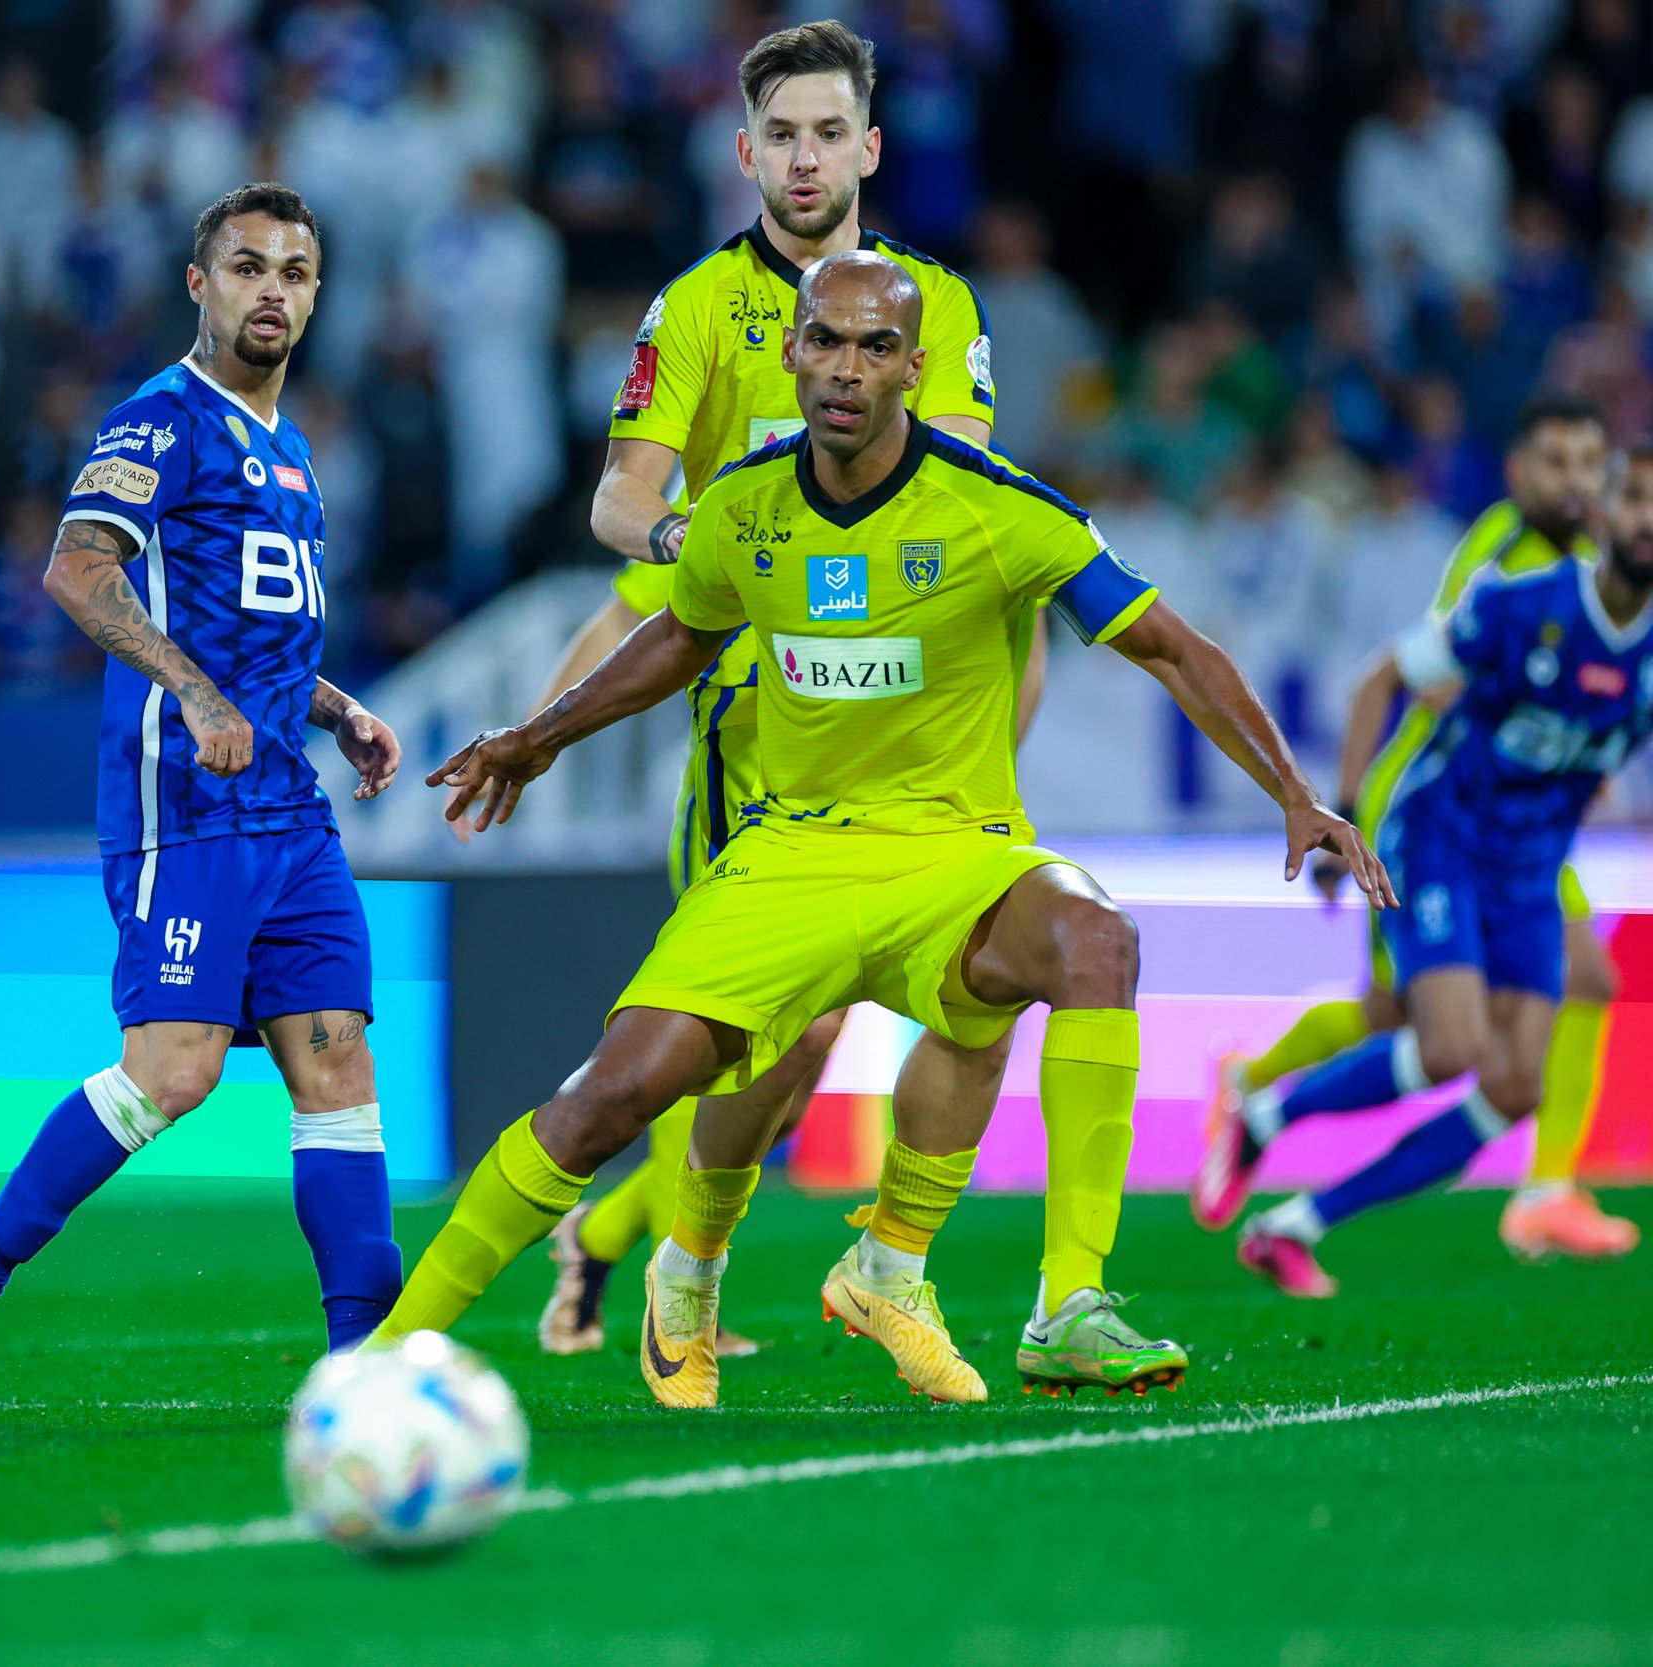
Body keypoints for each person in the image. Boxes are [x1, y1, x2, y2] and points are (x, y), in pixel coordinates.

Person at [376, 252, 1390, 1410]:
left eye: (873, 348)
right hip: (789, 850)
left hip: (956, 848)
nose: (844, 369)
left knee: (1094, 941)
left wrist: (1292, 793)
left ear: (915, 366)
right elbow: (674, 637)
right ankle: (397, 1352)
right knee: (611, 1095)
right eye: (824, 342)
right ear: (792, 352)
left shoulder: (997, 508)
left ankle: (1060, 1302)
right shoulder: (742, 506)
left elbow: (1173, 647)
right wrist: (539, 734)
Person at [531, 18, 1047, 1361]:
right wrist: (692, 557)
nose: (807, 158)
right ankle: (647, 1259)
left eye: (832, 132)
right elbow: (623, 502)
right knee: (766, 1034)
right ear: (745, 149)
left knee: (838, 1031)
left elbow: (963, 519)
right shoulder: (699, 308)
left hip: (895, 729)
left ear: (870, 148)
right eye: (783, 135)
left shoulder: (938, 306)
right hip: (752, 728)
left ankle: (625, 1243)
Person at [0, 184, 407, 1426]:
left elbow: (254, 626)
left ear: (316, 291)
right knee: (170, 1077)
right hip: (186, 804)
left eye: (294, 269)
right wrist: (198, 699)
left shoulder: (292, 453)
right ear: (199, 282)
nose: (270, 288)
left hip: (289, 809)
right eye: (245, 266)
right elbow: (78, 571)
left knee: (338, 1070)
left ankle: (366, 1377)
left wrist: (334, 711)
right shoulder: (161, 421)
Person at [1198, 396, 1635, 1261]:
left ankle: (1539, 1185)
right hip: (1436, 806)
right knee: (1421, 1021)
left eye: (1591, 466)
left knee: (1549, 994)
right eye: (1558, 464)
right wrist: (1353, 810)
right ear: (1518, 473)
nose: (1577, 484)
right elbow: (1430, 677)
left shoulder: (1600, 565)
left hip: (1522, 826)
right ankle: (1256, 1092)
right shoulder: (1504, 562)